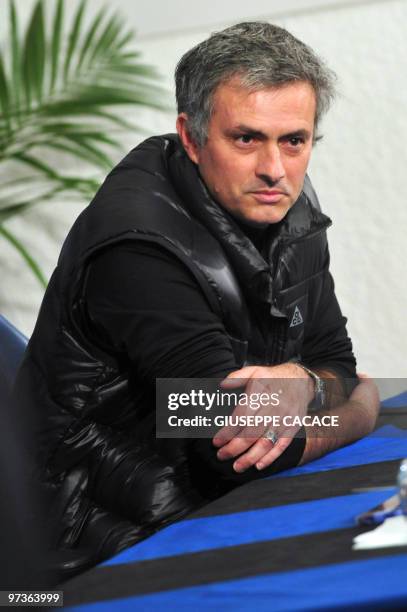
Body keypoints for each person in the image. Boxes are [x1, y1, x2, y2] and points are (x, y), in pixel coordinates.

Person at [14, 22, 379, 578]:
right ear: (191, 137)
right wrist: (361, 409)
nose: (274, 170)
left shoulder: (290, 206)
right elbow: (246, 450)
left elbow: (335, 359)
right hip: (102, 546)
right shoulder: (138, 249)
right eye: (246, 138)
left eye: (294, 141)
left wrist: (305, 382)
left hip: (207, 508)